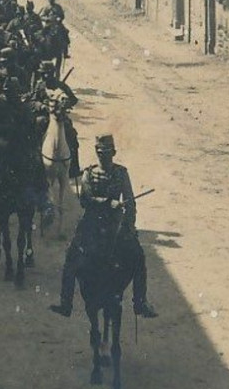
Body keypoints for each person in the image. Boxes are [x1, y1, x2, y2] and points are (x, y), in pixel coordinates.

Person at [50, 134, 156, 318]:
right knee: (71, 259)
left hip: (115, 224)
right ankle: (65, 302)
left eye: (106, 152)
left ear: (113, 153)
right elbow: (85, 200)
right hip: (91, 223)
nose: (102, 155)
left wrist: (129, 227)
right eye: (99, 152)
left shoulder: (122, 173)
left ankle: (140, 303)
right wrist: (108, 202)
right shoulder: (88, 173)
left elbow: (130, 203)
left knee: (139, 258)